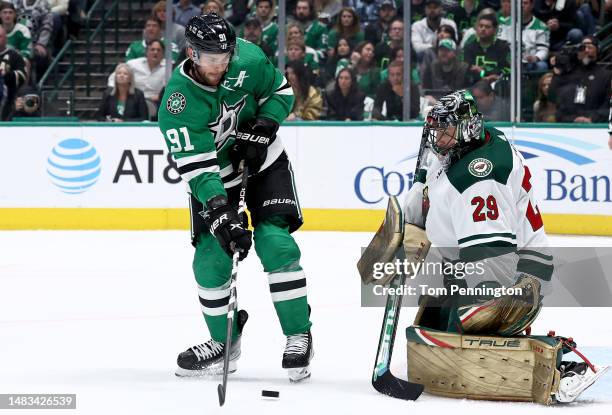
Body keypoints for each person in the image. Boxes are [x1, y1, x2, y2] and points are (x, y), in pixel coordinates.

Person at [401, 89, 608, 404]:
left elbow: (491, 259)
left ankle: (559, 363)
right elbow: (430, 187)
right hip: (488, 258)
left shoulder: (481, 177)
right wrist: (419, 189)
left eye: (444, 129)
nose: (437, 137)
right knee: (435, 322)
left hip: (519, 275)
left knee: (469, 318)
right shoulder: (472, 142)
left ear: (467, 128)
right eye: (435, 128)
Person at [157, 13, 313, 382]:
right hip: (216, 180)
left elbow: (280, 92)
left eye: (224, 58)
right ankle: (225, 343)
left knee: (276, 244)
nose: (220, 66)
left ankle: (298, 336)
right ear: (192, 53)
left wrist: (264, 125)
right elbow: (200, 172)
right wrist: (220, 213)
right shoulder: (177, 106)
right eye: (211, 59)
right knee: (210, 262)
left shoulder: (248, 58)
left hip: (265, 164)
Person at [549, 36, 612, 123]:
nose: (586, 50)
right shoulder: (567, 73)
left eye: (590, 47)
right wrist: (557, 72)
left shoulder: (606, 75)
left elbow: (608, 105)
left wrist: (592, 119)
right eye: (582, 48)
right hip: (566, 125)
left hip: (596, 126)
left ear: (597, 50)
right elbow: (553, 97)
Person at [109, 40, 167, 119]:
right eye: (152, 49)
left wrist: (160, 97)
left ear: (163, 54)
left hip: (157, 102)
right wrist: (118, 92)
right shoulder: (133, 64)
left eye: (158, 50)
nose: (155, 52)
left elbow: (169, 89)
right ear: (146, 52)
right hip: (133, 99)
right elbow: (113, 78)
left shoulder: (168, 69)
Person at [462, 13, 510, 84]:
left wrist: (483, 72)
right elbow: (466, 70)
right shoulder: (469, 47)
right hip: (473, 87)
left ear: (495, 30)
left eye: (487, 27)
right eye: (481, 26)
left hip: (497, 87)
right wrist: (484, 75)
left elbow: (507, 69)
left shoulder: (503, 47)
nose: (483, 29)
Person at [0, 25, 27, 120]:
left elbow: (23, 77)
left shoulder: (15, 56)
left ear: (6, 39)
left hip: (8, 97)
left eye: (0, 36)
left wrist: (7, 75)